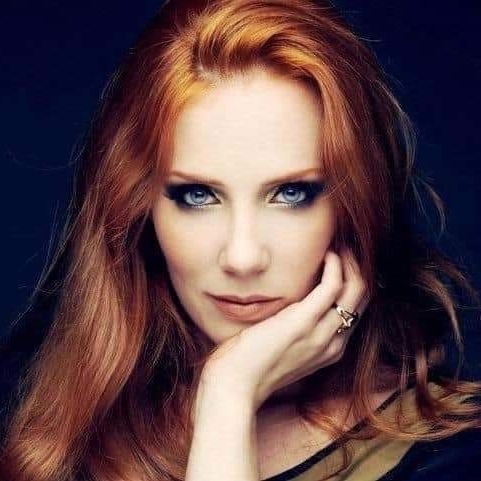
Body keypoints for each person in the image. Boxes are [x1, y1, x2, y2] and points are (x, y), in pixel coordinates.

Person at [0, 0, 480, 480]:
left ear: (357, 204)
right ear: (137, 207)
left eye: (291, 194)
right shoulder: (40, 422)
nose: (243, 257)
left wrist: (227, 395)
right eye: (198, 195)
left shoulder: (452, 456)